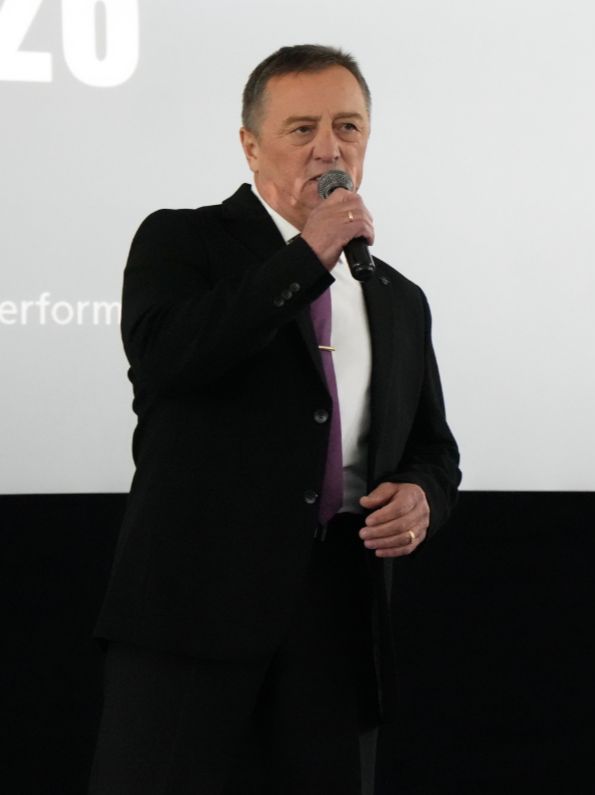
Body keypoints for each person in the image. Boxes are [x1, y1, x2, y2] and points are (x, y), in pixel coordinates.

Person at [88, 44, 461, 795]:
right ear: (250, 145)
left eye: (348, 126)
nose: (329, 147)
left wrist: (423, 493)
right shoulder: (182, 241)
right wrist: (306, 257)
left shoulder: (396, 294)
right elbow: (168, 360)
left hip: (340, 608)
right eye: (302, 129)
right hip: (194, 605)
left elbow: (432, 447)